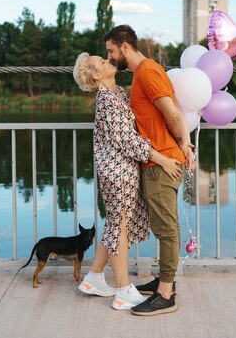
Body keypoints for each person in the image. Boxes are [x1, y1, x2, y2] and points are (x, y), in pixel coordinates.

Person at [73, 52, 183, 311]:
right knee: (118, 225)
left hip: (125, 170)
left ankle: (94, 277)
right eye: (101, 62)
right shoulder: (107, 101)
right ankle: (123, 290)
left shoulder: (119, 93)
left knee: (115, 222)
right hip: (116, 172)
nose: (107, 61)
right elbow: (128, 140)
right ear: (97, 76)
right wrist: (163, 159)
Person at [102, 24, 195, 316]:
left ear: (124, 47)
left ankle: (166, 294)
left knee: (167, 230)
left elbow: (173, 113)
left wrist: (183, 145)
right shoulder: (147, 72)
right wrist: (186, 145)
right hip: (157, 161)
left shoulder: (147, 72)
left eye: (111, 50)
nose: (110, 56)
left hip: (161, 163)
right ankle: (163, 283)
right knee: (163, 227)